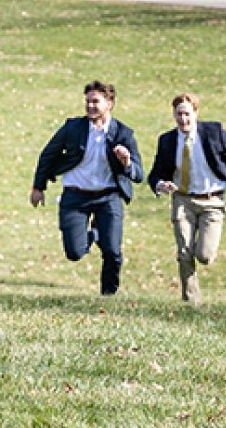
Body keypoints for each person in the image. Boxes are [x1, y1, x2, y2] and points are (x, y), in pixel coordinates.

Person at [30, 81, 143, 296]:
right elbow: (48, 154)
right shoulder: (73, 128)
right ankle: (94, 234)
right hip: (75, 196)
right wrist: (38, 187)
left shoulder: (123, 133)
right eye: (87, 101)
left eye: (96, 101)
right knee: (74, 252)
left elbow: (139, 174)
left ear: (110, 103)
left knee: (113, 252)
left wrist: (127, 162)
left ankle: (108, 295)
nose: (90, 106)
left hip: (108, 197)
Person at [147, 93, 226, 305]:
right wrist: (160, 184)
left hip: (212, 202)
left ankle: (201, 261)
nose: (183, 119)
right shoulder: (167, 140)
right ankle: (191, 302)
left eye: (187, 114)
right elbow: (155, 173)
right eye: (179, 114)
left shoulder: (214, 133)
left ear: (196, 113)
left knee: (204, 255)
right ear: (173, 115)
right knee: (184, 252)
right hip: (183, 201)